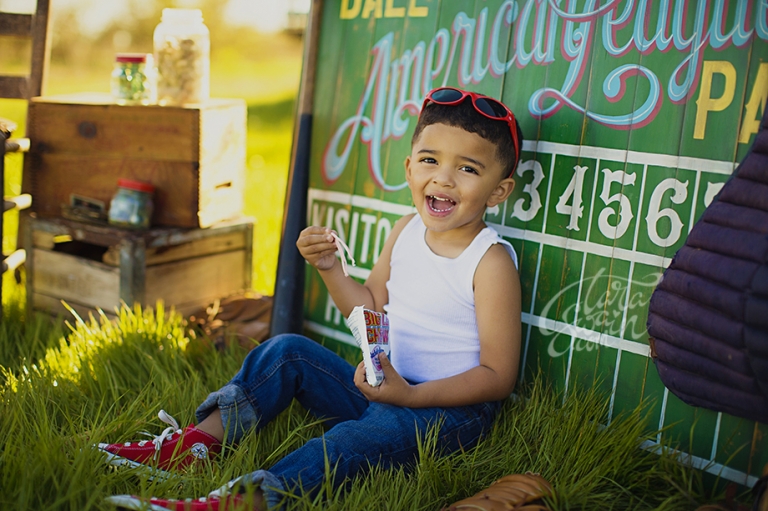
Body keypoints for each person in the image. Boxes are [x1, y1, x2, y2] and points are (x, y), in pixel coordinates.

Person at [102, 87, 524, 511]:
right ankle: (197, 445)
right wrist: (330, 269)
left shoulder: (489, 262)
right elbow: (369, 309)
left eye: (468, 168)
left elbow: (498, 375)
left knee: (349, 441)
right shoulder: (406, 230)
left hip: (449, 415)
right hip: (384, 388)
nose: (443, 178)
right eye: (430, 160)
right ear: (410, 168)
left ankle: (249, 501)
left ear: (498, 191)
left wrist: (411, 398)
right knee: (287, 352)